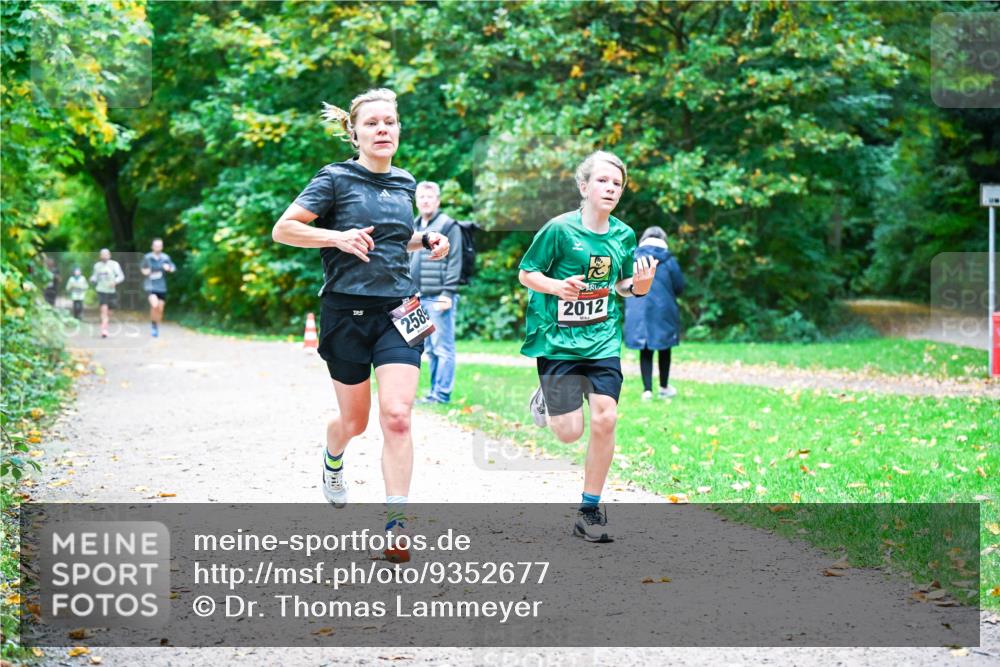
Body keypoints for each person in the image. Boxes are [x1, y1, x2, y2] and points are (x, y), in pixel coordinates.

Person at [271, 89, 449, 562]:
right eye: (372, 123)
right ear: (354, 132)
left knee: (397, 415)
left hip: (399, 310)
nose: (383, 130)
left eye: (390, 122)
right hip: (345, 313)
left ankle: (396, 524)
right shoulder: (333, 179)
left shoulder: (405, 182)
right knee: (355, 420)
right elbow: (284, 228)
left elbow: (393, 240)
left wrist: (425, 239)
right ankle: (333, 459)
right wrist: (336, 236)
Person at [518, 150, 657, 544]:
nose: (610, 188)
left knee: (605, 418)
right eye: (602, 181)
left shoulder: (624, 235)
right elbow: (526, 273)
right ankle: (547, 396)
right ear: (584, 186)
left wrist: (639, 287)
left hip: (601, 340)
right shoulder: (559, 230)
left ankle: (590, 509)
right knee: (567, 433)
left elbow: (621, 284)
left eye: (617, 183)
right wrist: (557, 286)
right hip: (558, 342)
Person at [410, 181, 463, 404]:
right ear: (416, 201)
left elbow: (455, 261)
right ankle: (433, 393)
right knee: (429, 349)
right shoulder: (413, 226)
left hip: (439, 296)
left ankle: (441, 395)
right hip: (419, 296)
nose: (425, 201)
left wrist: (448, 294)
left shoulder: (449, 225)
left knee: (443, 348)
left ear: (438, 201)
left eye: (430, 197)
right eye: (421, 197)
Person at [624, 226, 686, 400]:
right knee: (664, 347)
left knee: (645, 349)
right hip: (664, 310)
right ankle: (664, 387)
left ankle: (647, 390)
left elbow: (625, 284)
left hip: (638, 309)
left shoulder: (633, 258)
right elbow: (679, 287)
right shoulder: (669, 260)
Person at [140, 238, 175, 338]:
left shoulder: (165, 257)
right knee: (154, 305)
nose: (157, 248)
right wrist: (147, 271)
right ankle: (153, 326)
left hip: (162, 287)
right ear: (152, 246)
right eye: (155, 246)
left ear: (162, 247)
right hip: (150, 286)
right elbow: (142, 269)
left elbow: (173, 268)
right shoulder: (147, 257)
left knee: (160, 308)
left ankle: (155, 324)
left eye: (159, 246)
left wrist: (168, 268)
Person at [90, 248, 125, 338]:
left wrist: (115, 282)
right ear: (100, 256)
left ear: (109, 255)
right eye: (102, 254)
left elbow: (121, 276)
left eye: (106, 254)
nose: (104, 256)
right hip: (101, 290)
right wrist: (92, 279)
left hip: (111, 291)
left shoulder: (114, 264)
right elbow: (95, 277)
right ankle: (104, 330)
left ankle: (104, 321)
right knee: (104, 310)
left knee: (110, 312)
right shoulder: (97, 266)